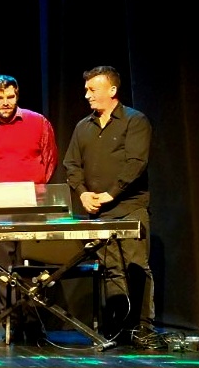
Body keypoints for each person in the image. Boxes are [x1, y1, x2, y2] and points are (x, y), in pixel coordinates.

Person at [62, 65, 164, 350]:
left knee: (136, 267)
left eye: (92, 90)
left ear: (112, 90)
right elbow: (71, 164)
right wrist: (83, 194)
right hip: (99, 211)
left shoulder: (134, 120)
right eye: (86, 90)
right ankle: (119, 327)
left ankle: (143, 328)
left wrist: (111, 193)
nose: (87, 95)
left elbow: (136, 163)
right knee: (112, 270)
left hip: (130, 206)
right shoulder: (83, 126)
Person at [0, 74, 57, 335]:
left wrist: (35, 189)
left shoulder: (38, 121)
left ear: (17, 95)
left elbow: (50, 159)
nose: (5, 102)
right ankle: (10, 322)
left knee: (32, 264)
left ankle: (34, 322)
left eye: (10, 96)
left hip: (32, 202)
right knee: (2, 267)